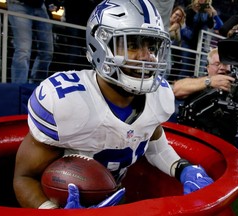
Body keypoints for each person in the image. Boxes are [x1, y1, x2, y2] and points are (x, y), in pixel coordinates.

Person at [13, 0, 213, 209]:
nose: (147, 57)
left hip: (115, 200)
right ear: (100, 46)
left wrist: (183, 169)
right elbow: (24, 177)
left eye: (152, 46)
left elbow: (155, 147)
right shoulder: (66, 102)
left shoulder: (157, 96)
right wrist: (54, 212)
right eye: (133, 45)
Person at [173, 48, 238, 149]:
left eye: (225, 64)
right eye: (217, 64)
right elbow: (177, 89)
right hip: (194, 142)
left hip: (226, 146)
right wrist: (209, 82)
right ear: (207, 68)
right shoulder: (198, 83)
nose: (221, 68)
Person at [7, 0, 54, 84]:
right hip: (18, 3)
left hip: (40, 5)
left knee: (47, 51)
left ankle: (37, 87)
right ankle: (19, 89)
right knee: (23, 50)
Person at [168, 5, 186, 81]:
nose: (177, 17)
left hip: (170, 51)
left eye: (180, 16)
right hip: (160, 46)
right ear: (172, 13)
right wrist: (171, 29)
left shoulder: (177, 26)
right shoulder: (166, 21)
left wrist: (177, 29)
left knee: (169, 68)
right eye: (176, 14)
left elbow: (178, 41)